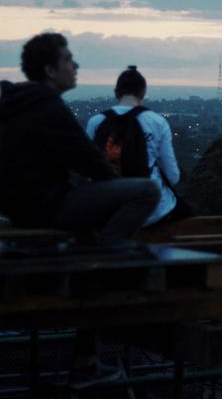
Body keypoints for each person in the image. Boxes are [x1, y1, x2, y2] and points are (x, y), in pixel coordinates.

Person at [0, 33, 161, 387]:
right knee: (145, 190)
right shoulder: (47, 106)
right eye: (68, 60)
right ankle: (106, 257)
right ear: (49, 68)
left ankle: (99, 252)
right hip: (49, 208)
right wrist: (111, 190)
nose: (75, 66)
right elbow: (91, 162)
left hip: (25, 209)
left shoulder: (16, 104)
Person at [86, 66, 183, 227]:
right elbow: (173, 176)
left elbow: (88, 170)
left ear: (116, 92)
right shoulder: (157, 122)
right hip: (152, 212)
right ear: (143, 92)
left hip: (107, 208)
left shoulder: (96, 122)